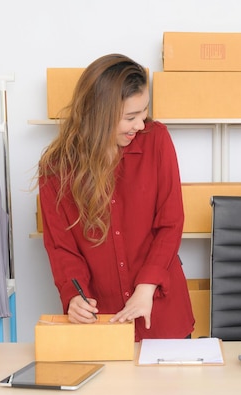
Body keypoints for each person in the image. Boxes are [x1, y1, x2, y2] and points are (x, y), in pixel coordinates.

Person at [37, 53, 194, 341]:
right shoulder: (56, 168)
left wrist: (146, 287)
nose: (140, 124)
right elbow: (62, 247)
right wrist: (74, 297)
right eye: (130, 117)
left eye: (144, 112)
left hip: (162, 315)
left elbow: (170, 223)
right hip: (102, 322)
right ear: (98, 115)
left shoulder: (156, 140)